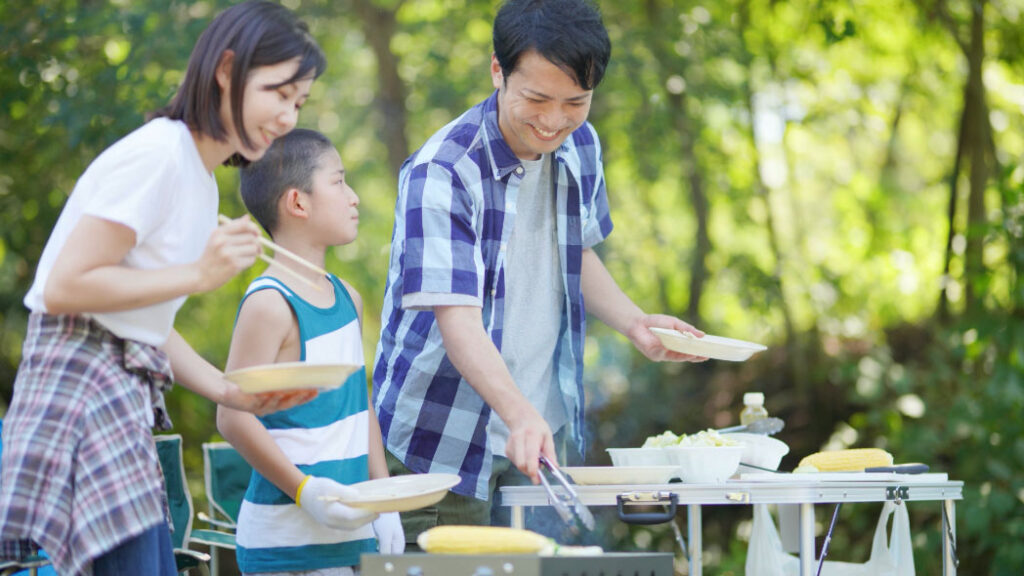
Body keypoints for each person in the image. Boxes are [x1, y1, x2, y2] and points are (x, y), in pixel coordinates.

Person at [0, 3, 327, 575]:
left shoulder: (196, 178)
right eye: (278, 92)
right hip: (82, 385)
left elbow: (146, 321)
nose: (286, 116)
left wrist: (233, 393)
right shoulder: (159, 155)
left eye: (298, 102)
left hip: (117, 390)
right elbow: (63, 286)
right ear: (226, 71)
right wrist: (198, 275)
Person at [373, 0, 705, 541]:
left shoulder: (581, 145)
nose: (554, 121)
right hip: (441, 440)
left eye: (576, 101)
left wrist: (635, 323)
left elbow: (576, 251)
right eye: (536, 98)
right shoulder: (442, 172)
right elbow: (456, 319)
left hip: (540, 434)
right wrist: (517, 412)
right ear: (497, 72)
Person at [218, 128, 404, 576]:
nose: (353, 197)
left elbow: (360, 410)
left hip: (351, 539)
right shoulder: (270, 303)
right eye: (339, 182)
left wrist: (385, 499)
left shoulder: (348, 298)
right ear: (298, 202)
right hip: (285, 547)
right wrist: (305, 492)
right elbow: (232, 416)